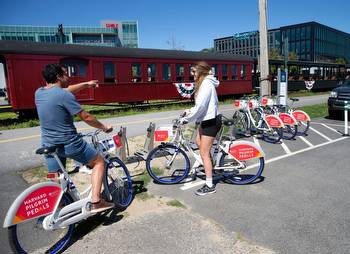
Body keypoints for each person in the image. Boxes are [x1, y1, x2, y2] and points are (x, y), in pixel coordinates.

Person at [35, 63, 114, 213]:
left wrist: (86, 84)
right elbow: (86, 116)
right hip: (69, 143)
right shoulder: (64, 95)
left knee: (57, 177)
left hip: (48, 144)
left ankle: (59, 210)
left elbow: (62, 91)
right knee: (99, 162)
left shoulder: (39, 93)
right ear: (58, 76)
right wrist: (104, 127)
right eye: (65, 74)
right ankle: (96, 201)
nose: (68, 77)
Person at [180, 61, 222, 196]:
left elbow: (201, 107)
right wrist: (189, 111)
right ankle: (210, 163)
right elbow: (199, 106)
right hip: (206, 120)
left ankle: (210, 185)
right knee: (198, 143)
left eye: (194, 71)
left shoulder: (206, 85)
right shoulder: (204, 83)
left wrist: (187, 119)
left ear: (201, 72)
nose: (192, 74)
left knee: (204, 153)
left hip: (211, 121)